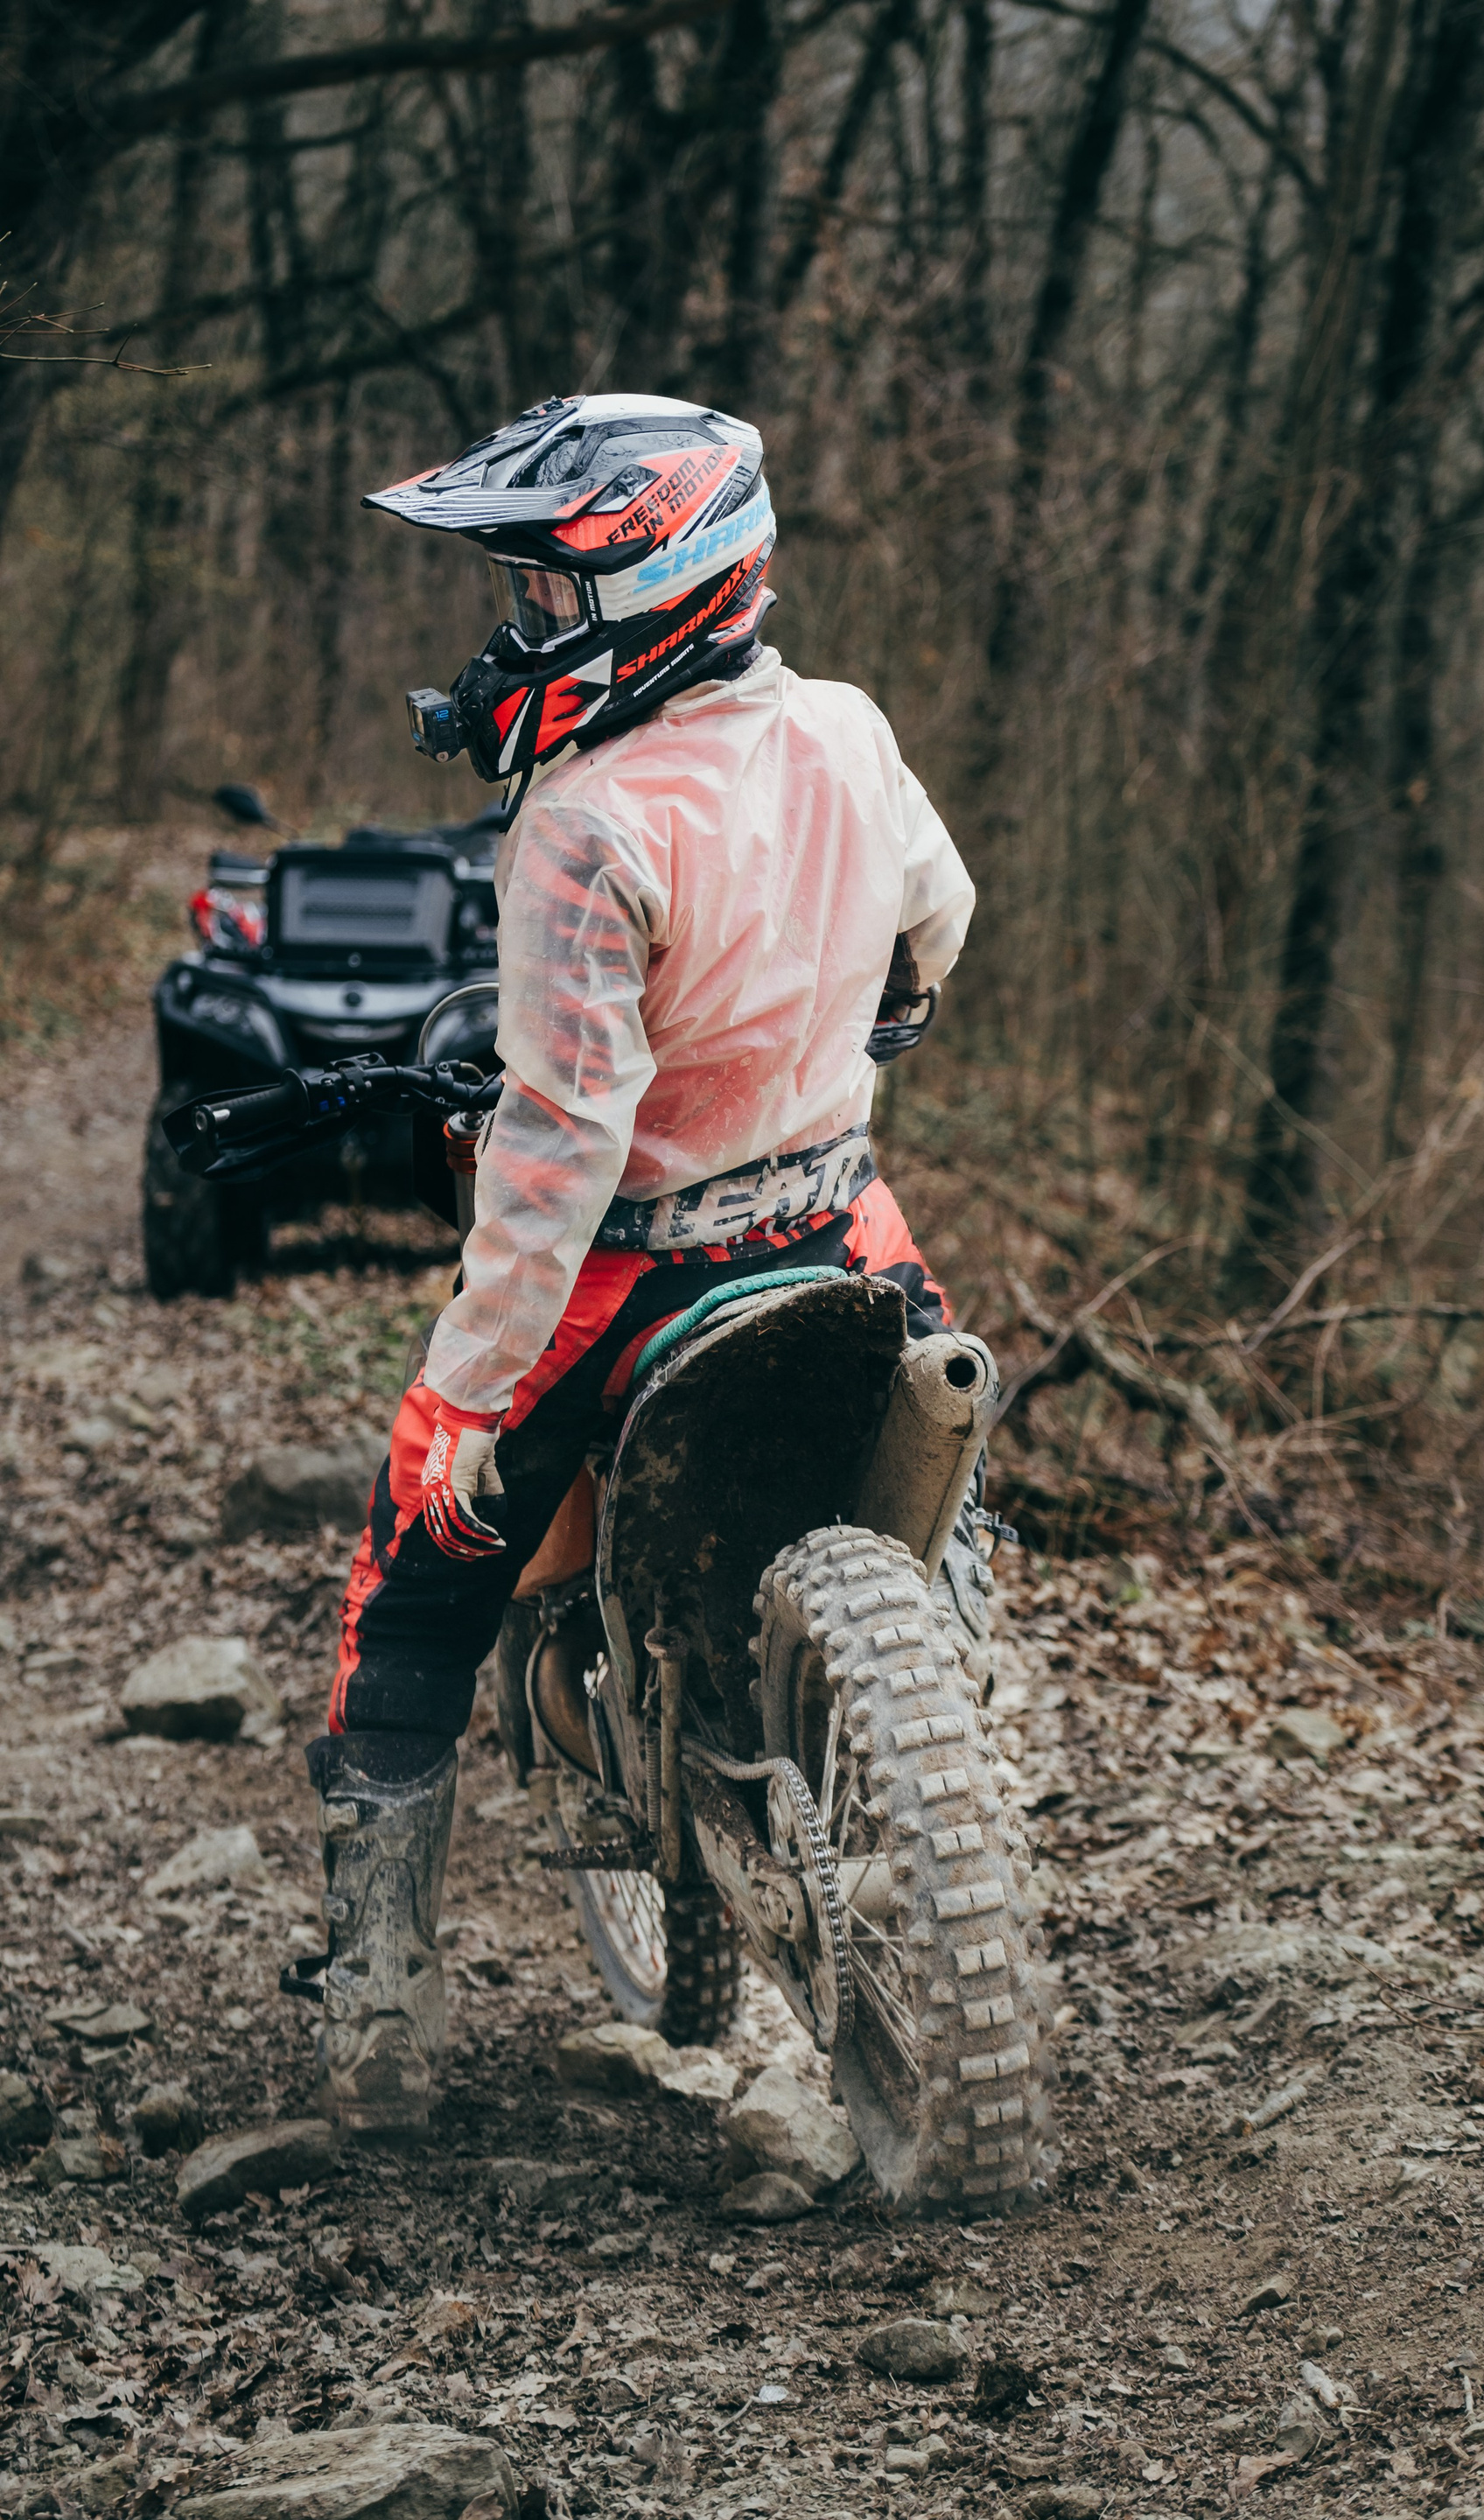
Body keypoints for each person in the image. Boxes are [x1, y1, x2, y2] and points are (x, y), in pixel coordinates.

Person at [299, 392, 984, 2132]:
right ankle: (957, 1667)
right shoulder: (847, 727)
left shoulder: (587, 822)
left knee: (413, 1563)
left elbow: (557, 1153)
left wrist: (468, 1389)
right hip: (836, 1221)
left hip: (638, 1271)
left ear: (651, 588)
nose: (523, 619)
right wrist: (879, 1011)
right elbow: (940, 915)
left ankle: (377, 2007)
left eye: (547, 590)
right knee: (948, 1430)